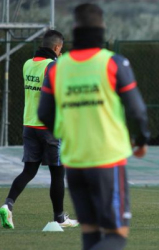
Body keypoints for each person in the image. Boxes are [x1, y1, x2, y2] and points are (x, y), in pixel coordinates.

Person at [38, 3, 150, 250]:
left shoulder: (58, 67)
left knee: (91, 236)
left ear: (75, 28)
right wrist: (141, 141)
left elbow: (44, 112)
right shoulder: (114, 63)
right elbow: (137, 111)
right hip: (107, 160)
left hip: (75, 162)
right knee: (115, 236)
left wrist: (66, 133)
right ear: (102, 28)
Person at [0, 30, 78, 229]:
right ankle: (59, 218)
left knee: (29, 170)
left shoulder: (27, 64)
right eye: (61, 49)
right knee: (57, 173)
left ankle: (8, 204)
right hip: (50, 127)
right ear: (57, 47)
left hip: (29, 125)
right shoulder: (53, 66)